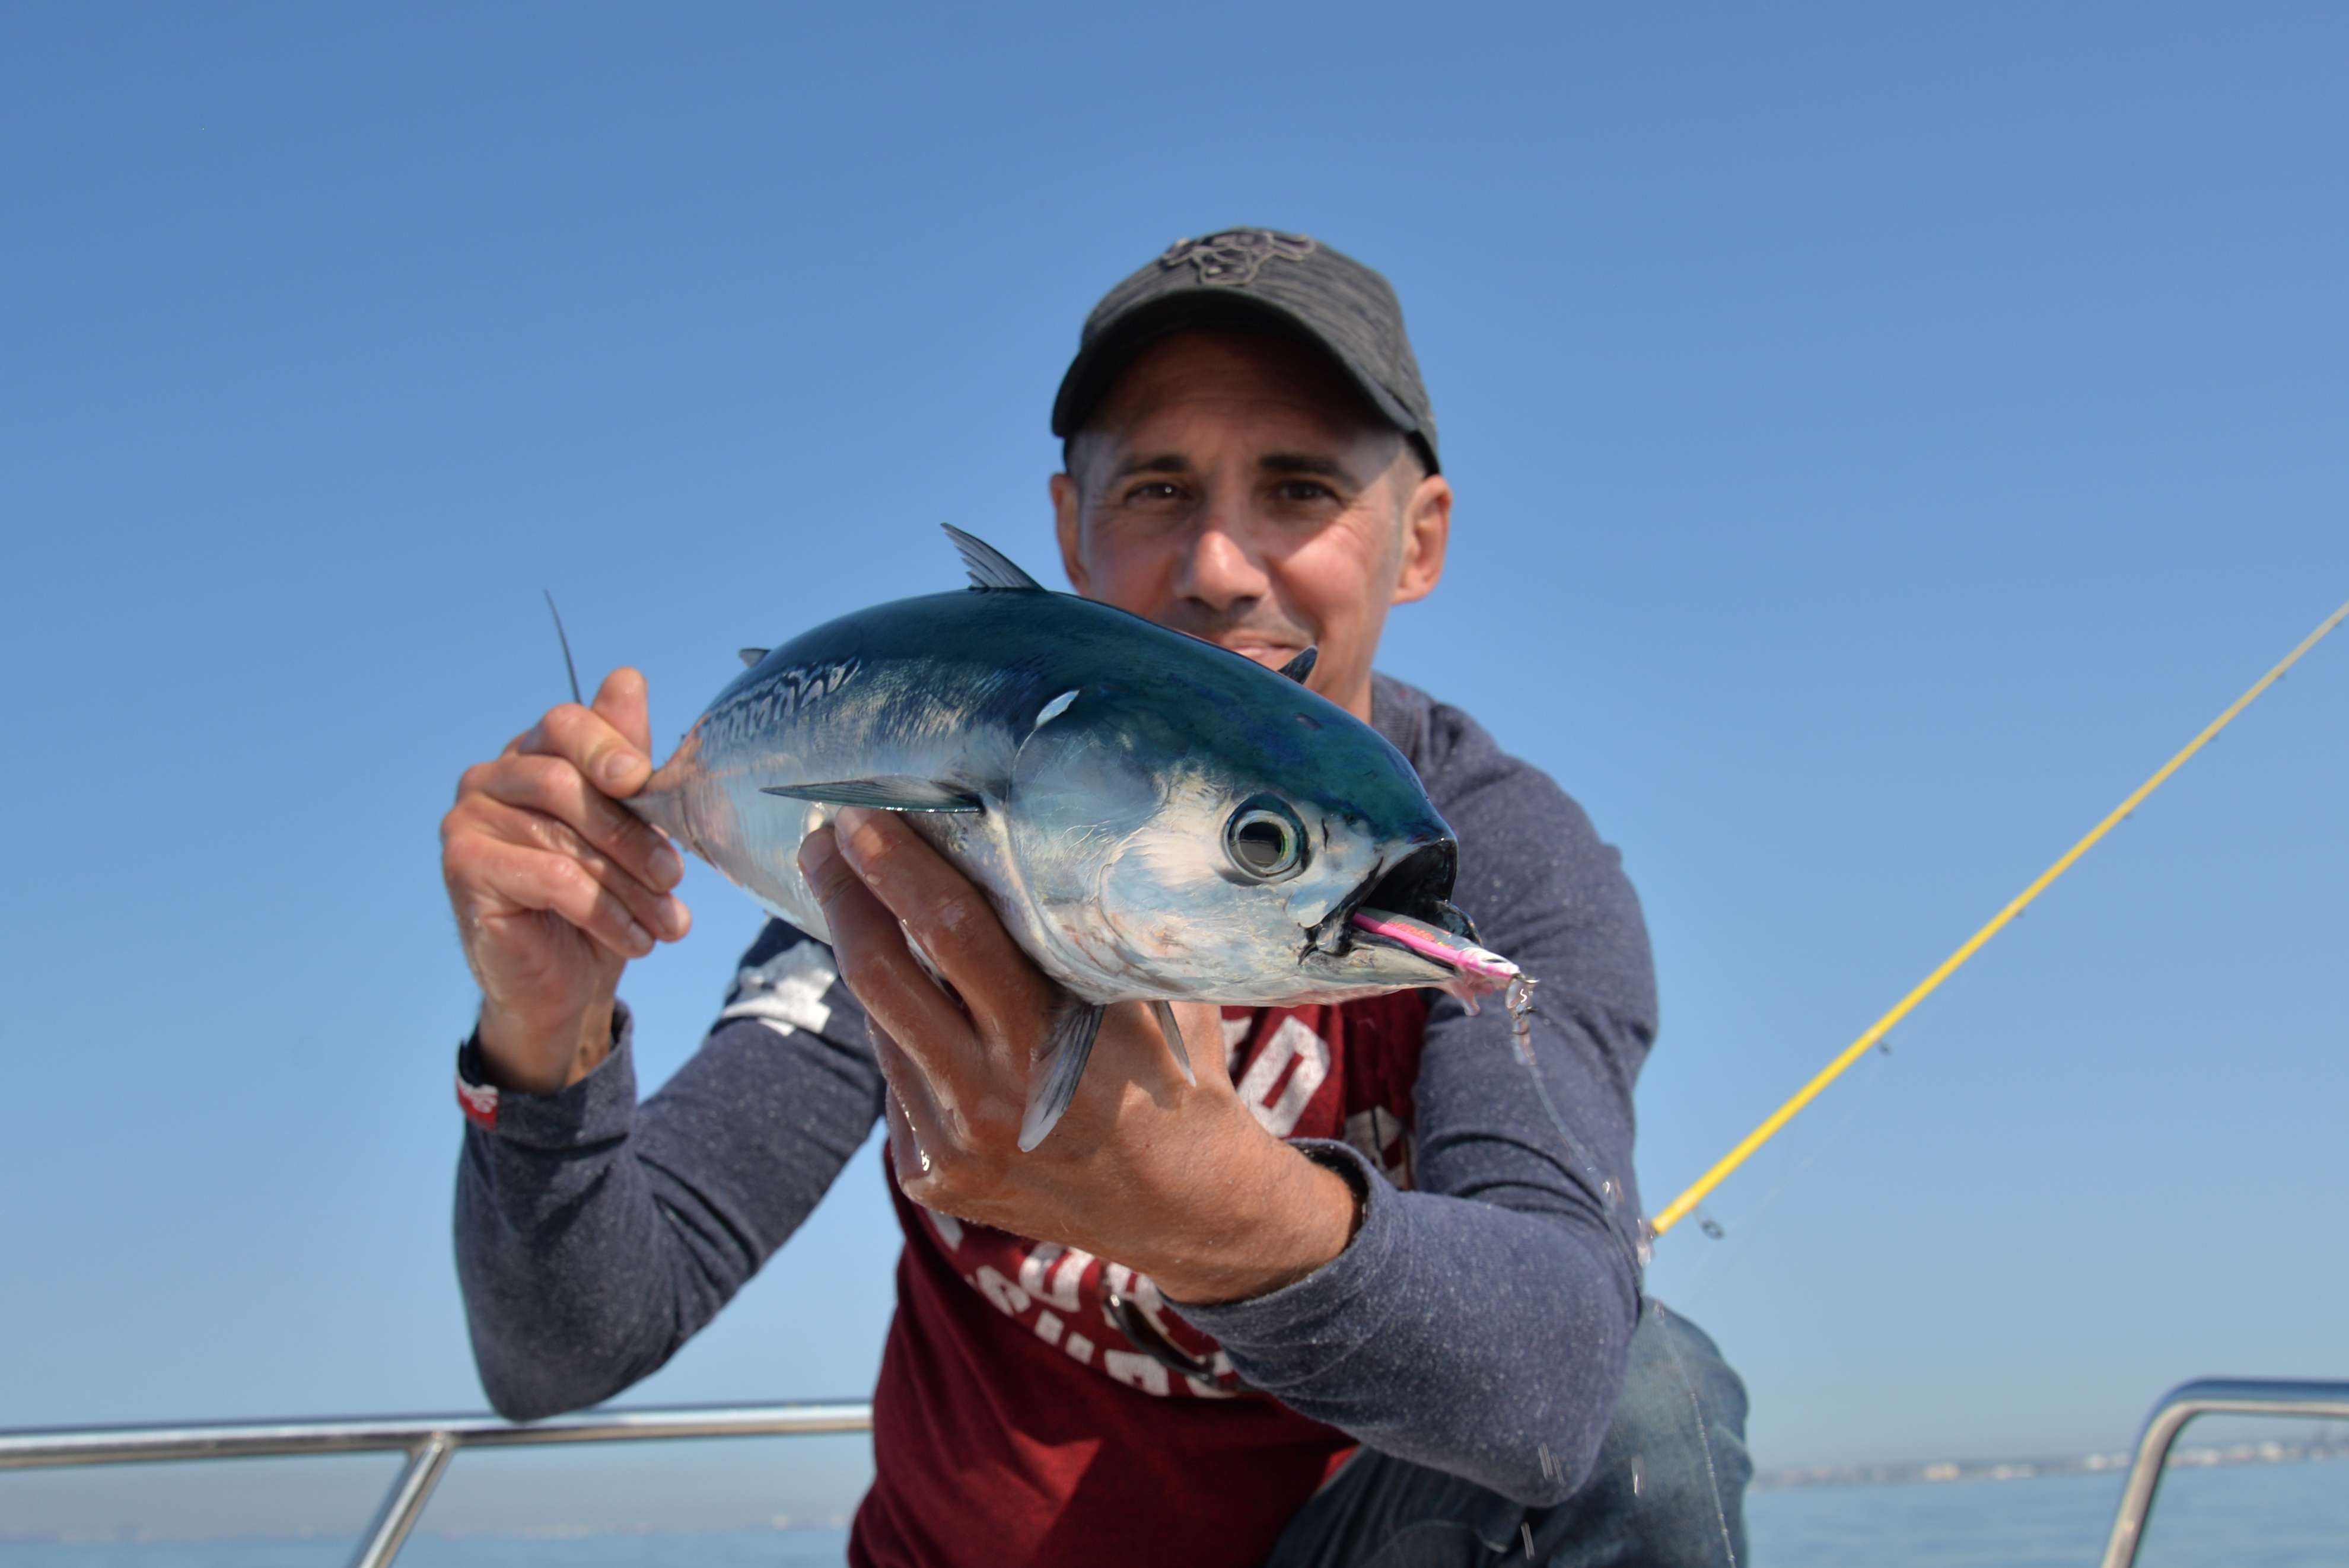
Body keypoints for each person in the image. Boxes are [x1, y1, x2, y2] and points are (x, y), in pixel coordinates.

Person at [440, 227, 1751, 1567]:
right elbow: (571, 1343)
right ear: (1068, 528)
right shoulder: (904, 864)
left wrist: (1216, 1215)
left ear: (1418, 538)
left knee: (1666, 1404)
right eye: (1159, 488)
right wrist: (542, 1043)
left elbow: (1566, 1382)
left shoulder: (1496, 864)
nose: (1221, 568)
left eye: (1298, 489)